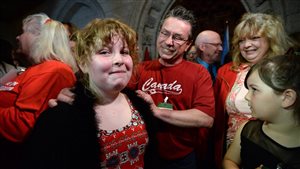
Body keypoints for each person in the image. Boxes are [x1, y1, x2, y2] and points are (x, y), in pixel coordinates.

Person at [49, 6, 215, 169]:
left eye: (178, 37)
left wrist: (157, 111)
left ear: (188, 44)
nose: (169, 42)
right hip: (145, 152)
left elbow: (205, 118)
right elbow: (108, 92)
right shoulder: (141, 69)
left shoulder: (198, 72)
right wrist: (77, 94)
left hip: (181, 159)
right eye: (165, 33)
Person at [22, 18, 159, 169]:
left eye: (124, 52)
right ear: (83, 63)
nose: (119, 59)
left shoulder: (139, 103)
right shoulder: (60, 117)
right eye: (105, 52)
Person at [212, 13, 296, 169]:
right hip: (231, 150)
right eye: (242, 40)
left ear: (271, 39)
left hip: (274, 152)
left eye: (254, 38)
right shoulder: (227, 71)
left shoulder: (288, 72)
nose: (246, 45)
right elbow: (217, 118)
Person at [0, 13, 77, 169]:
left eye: (23, 32)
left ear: (38, 36)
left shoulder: (52, 69)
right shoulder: (32, 70)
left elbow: (21, 125)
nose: (17, 37)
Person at [223, 53, 300, 169]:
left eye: (254, 89)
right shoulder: (247, 130)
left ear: (287, 97)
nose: (247, 97)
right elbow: (229, 160)